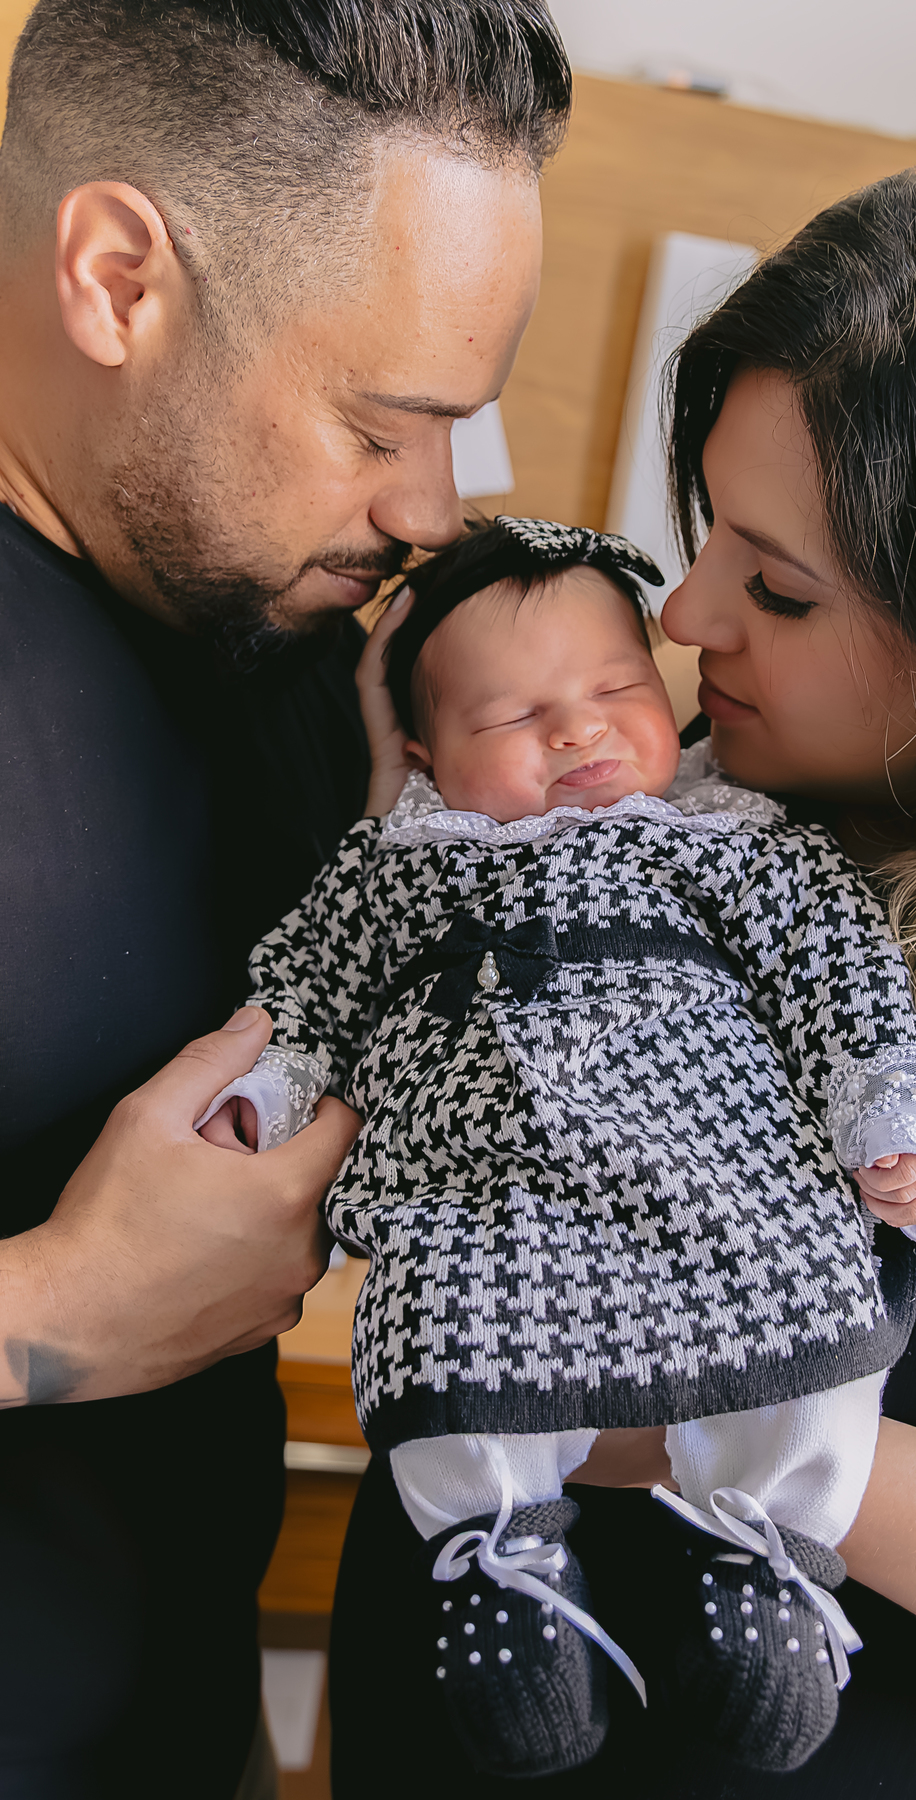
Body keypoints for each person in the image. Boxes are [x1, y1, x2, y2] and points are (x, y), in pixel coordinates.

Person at [330, 145, 916, 1798]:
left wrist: (721, 1425)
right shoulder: (657, 837)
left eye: (780, 589)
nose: (688, 618)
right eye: (710, 536)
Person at [0, 2, 570, 1794]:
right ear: (117, 280)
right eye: (384, 424)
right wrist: (49, 1312)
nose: (433, 508)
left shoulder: (294, 655)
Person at [198, 513, 916, 1778]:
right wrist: (258, 1094)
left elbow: (841, 981)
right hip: (489, 1192)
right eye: (516, 716)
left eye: (618, 691)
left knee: (811, 1317)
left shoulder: (737, 840)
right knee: (440, 1326)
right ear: (426, 755)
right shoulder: (398, 870)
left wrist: (892, 1118)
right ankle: (499, 1565)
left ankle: (769, 1562)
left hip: (729, 1170)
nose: (577, 731)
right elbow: (305, 996)